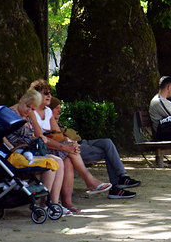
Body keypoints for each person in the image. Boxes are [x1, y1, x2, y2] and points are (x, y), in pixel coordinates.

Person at [28, 80, 111, 208]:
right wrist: (65, 146)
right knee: (69, 153)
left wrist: (70, 143)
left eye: (50, 92)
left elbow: (58, 134)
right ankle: (89, 181)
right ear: (37, 95)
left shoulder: (48, 112)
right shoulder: (32, 111)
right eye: (45, 93)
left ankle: (66, 203)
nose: (49, 95)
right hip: (40, 148)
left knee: (68, 161)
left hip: (52, 146)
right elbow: (41, 138)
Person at [50, 96, 139, 199]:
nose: (60, 110)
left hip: (82, 142)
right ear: (50, 109)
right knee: (108, 153)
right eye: (57, 108)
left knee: (107, 142)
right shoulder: (49, 122)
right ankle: (115, 188)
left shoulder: (56, 121)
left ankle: (123, 176)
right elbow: (57, 139)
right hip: (73, 147)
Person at [7, 89, 66, 212]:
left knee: (59, 161)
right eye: (28, 107)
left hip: (30, 151)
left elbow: (32, 134)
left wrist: (38, 137)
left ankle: (53, 203)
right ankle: (44, 204)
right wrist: (11, 149)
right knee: (50, 162)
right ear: (22, 100)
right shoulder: (10, 114)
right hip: (18, 153)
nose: (30, 111)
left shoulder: (26, 114)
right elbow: (2, 136)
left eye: (33, 109)